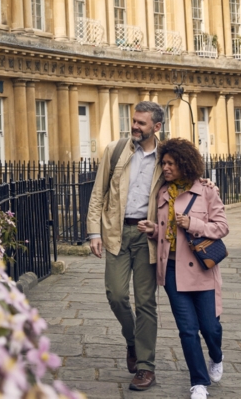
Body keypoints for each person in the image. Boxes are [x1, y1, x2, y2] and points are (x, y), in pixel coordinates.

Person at [138, 138, 229, 399]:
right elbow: (167, 234)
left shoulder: (206, 191)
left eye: (171, 163)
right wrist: (153, 230)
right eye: (163, 163)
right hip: (172, 271)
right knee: (187, 330)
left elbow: (222, 227)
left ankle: (216, 355)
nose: (165, 167)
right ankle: (198, 382)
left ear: (184, 164)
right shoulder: (162, 193)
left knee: (210, 328)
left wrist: (193, 224)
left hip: (201, 271)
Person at [86, 101, 165, 391]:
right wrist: (94, 232)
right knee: (116, 294)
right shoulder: (116, 150)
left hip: (148, 238)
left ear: (156, 127)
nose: (134, 126)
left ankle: (145, 366)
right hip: (117, 233)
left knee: (146, 302)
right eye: (134, 121)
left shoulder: (166, 156)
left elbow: (188, 184)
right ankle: (133, 340)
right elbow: (98, 193)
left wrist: (209, 187)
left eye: (141, 123)